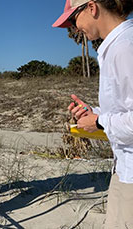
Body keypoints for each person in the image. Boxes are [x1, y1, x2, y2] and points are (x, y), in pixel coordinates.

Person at [53, 0, 133, 228]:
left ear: (92, 7)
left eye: (73, 19)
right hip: (123, 166)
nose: (75, 28)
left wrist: (99, 122)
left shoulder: (125, 46)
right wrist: (93, 114)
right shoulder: (116, 45)